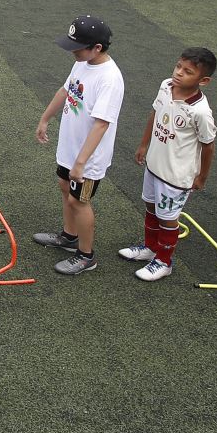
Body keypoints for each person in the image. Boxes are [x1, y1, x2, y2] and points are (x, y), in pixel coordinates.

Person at [33, 15, 125, 276]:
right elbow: (66, 90)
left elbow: (102, 125)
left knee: (79, 202)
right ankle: (68, 236)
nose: (73, 51)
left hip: (88, 158)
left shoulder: (110, 79)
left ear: (97, 48)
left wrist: (81, 163)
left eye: (78, 47)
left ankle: (86, 255)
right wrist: (45, 118)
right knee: (64, 187)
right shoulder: (83, 63)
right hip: (70, 148)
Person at [120, 48, 217, 282]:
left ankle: (164, 262)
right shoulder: (166, 86)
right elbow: (155, 114)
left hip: (176, 176)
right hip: (154, 165)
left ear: (203, 81)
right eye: (178, 67)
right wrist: (144, 145)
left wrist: (202, 177)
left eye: (188, 71)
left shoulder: (200, 112)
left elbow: (208, 146)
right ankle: (150, 248)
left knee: (168, 217)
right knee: (150, 205)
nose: (179, 73)